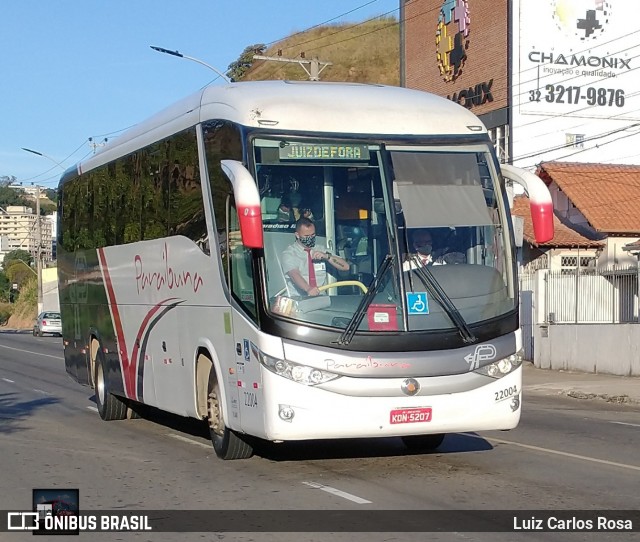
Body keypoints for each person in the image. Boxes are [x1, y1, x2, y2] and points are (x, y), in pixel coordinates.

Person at [281, 218, 350, 296]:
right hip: (299, 298)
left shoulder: (321, 249)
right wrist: (308, 289)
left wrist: (327, 257)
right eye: (306, 236)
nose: (310, 238)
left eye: (313, 235)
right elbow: (294, 274)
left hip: (321, 296)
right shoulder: (290, 253)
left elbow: (345, 266)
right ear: (297, 235)